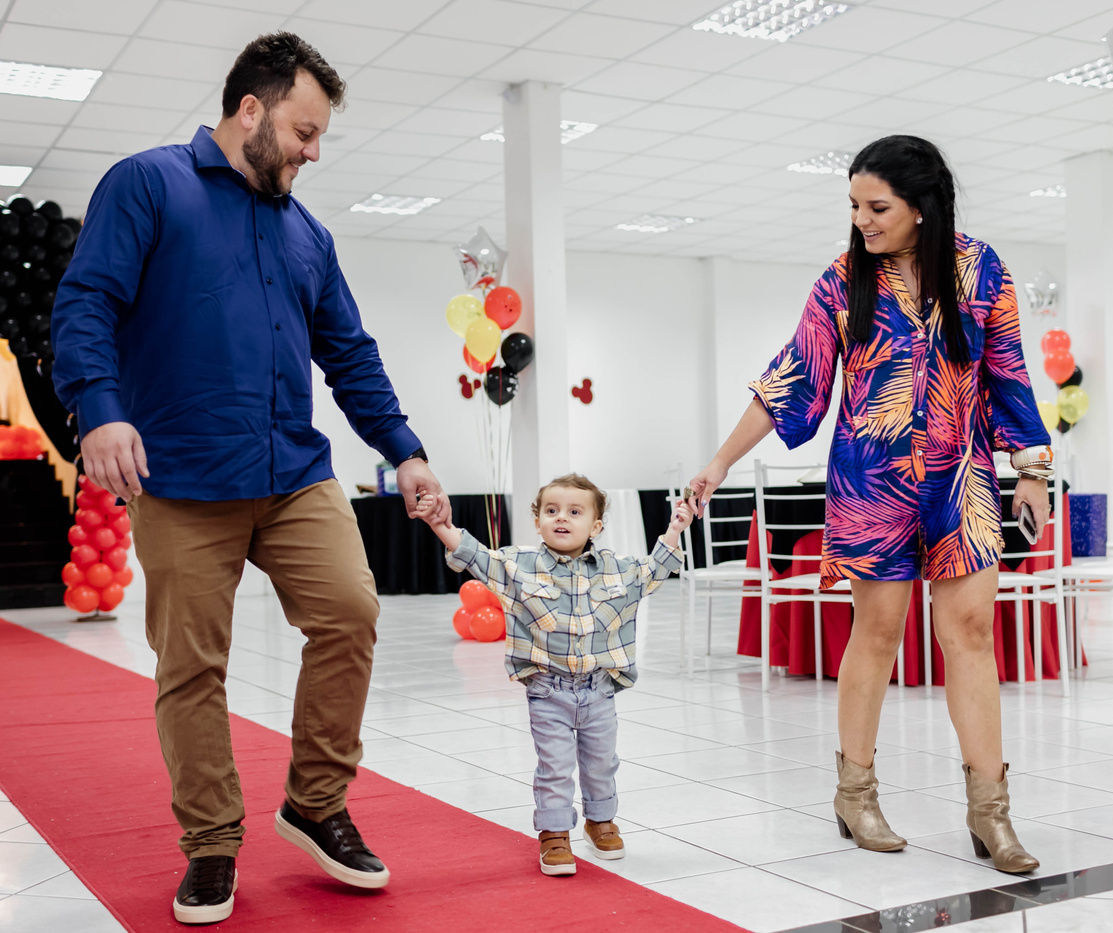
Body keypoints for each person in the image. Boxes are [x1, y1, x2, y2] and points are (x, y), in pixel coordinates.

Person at [50, 33, 451, 924]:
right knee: (192, 665)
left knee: (350, 611)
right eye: (305, 132)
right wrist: (99, 406)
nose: (314, 152)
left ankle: (315, 802)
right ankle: (211, 843)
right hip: (182, 476)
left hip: (293, 473)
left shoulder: (307, 232)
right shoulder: (148, 184)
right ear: (250, 110)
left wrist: (406, 449)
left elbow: (350, 352)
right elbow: (87, 301)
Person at [687, 135, 1052, 874]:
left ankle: (991, 814)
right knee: (878, 632)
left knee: (971, 632)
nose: (862, 220)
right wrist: (720, 461)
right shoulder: (841, 281)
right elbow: (794, 377)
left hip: (962, 477)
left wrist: (1033, 468)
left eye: (877, 206)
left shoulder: (980, 269)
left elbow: (1008, 369)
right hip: (870, 482)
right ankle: (855, 794)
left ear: (922, 206)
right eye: (854, 205)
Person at [415, 475, 693, 875]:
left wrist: (675, 528)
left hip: (599, 691)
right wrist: (438, 523)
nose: (561, 517)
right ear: (538, 521)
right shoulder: (518, 566)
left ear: (596, 526)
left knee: (601, 762)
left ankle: (600, 821)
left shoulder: (616, 569)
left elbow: (655, 570)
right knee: (555, 765)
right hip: (548, 692)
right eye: (551, 510)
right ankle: (555, 832)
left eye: (574, 512)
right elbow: (474, 555)